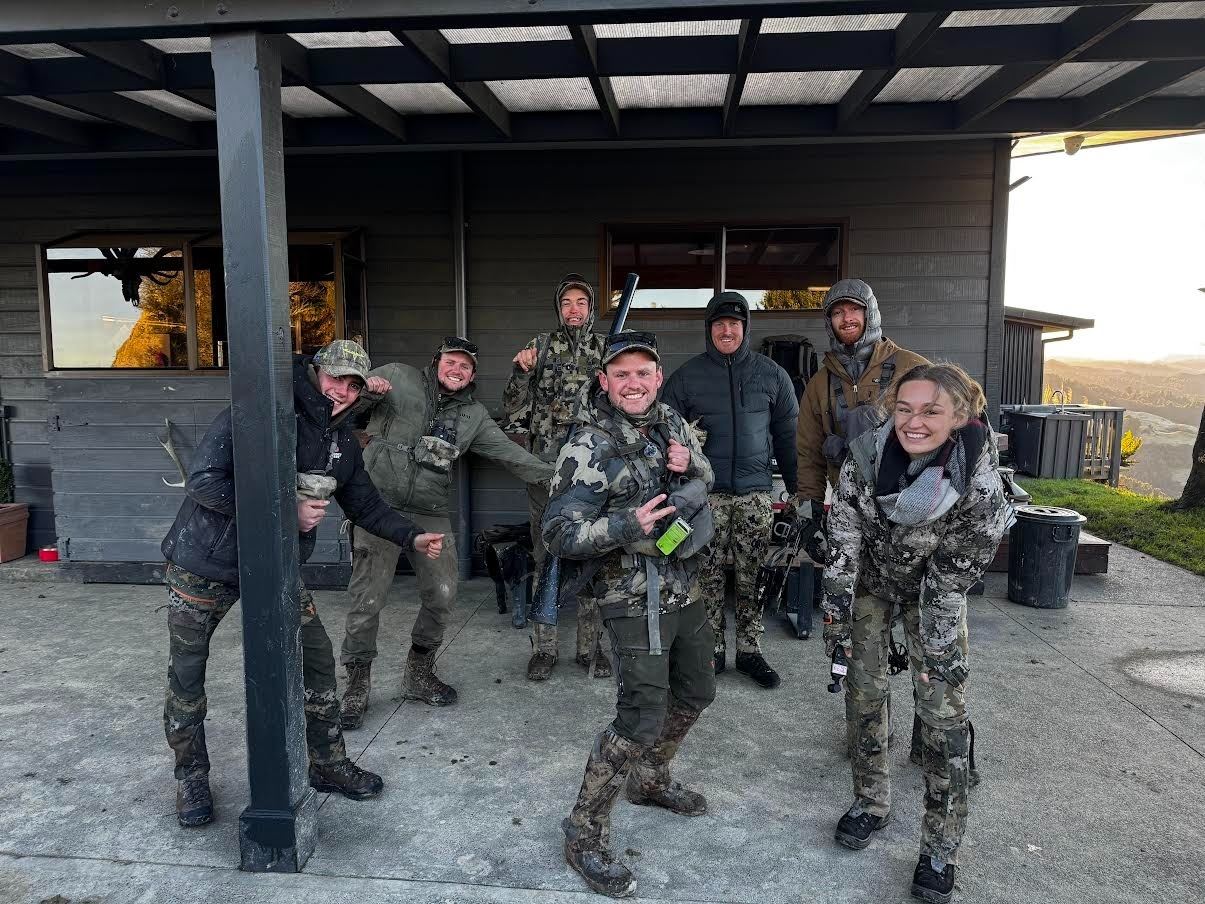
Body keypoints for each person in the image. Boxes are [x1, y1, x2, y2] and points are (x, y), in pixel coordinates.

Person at [160, 339, 443, 828]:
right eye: (335, 378)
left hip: (277, 568)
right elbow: (203, 481)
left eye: (353, 384)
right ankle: (191, 776)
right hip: (205, 563)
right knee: (188, 675)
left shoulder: (342, 442)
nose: (342, 391)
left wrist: (413, 537)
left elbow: (366, 505)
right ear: (315, 372)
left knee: (316, 658)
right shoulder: (258, 413)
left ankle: (327, 762)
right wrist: (284, 510)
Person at [821, 363, 1012, 904]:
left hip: (937, 591)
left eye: (931, 411)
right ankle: (871, 802)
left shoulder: (977, 480)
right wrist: (837, 619)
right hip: (872, 583)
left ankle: (940, 847)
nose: (914, 421)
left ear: (960, 415)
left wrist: (936, 646)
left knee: (941, 711)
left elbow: (958, 568)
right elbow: (844, 539)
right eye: (904, 409)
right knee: (863, 693)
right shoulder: (865, 458)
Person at [544, 331, 715, 899]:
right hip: (630, 594)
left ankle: (650, 777)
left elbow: (707, 480)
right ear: (605, 381)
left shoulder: (671, 423)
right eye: (622, 374)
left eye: (643, 372)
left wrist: (692, 463)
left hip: (685, 582)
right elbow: (557, 534)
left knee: (696, 692)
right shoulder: (587, 445)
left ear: (658, 378)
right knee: (639, 717)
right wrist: (625, 525)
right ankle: (583, 832)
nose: (634, 383)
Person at [338, 337, 552, 725]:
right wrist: (367, 391)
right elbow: (343, 405)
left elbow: (511, 455)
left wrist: (560, 478)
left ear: (473, 374)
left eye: (465, 366)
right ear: (436, 361)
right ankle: (356, 685)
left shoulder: (473, 416)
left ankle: (418, 674)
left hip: (430, 512)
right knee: (367, 599)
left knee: (443, 593)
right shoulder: (397, 377)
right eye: (451, 361)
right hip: (376, 507)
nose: (457, 370)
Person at [661, 290, 798, 688]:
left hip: (756, 494)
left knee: (753, 575)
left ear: (745, 328)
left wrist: (797, 492)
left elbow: (788, 437)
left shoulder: (771, 375)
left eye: (734, 324)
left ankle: (751, 651)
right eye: (719, 324)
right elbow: (664, 436)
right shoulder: (687, 377)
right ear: (709, 329)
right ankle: (714, 650)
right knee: (707, 576)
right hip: (706, 496)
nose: (727, 331)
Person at [503, 273, 610, 681]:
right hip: (546, 470)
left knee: (590, 555)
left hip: (593, 470)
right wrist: (520, 371)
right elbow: (512, 406)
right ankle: (544, 649)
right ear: (558, 308)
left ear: (591, 308)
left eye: (581, 302)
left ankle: (590, 649)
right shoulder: (541, 345)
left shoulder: (606, 348)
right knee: (545, 554)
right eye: (567, 302)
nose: (574, 309)